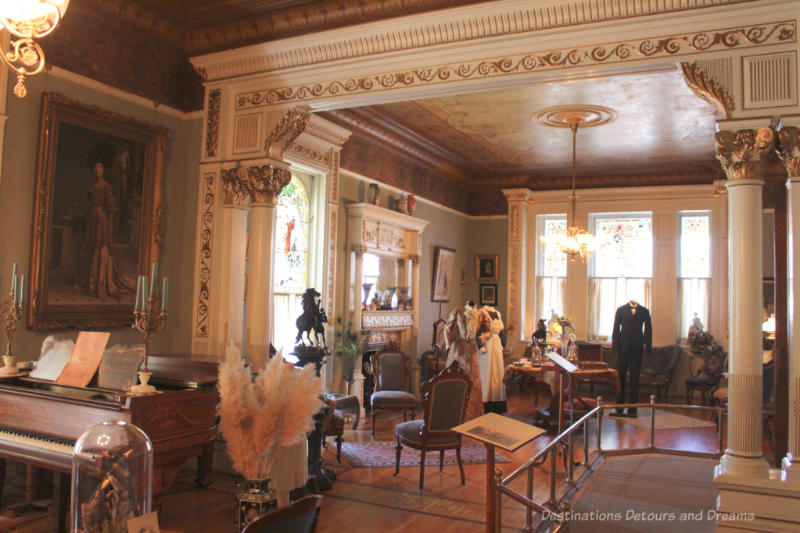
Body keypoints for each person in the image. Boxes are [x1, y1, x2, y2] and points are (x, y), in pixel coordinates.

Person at [79, 161, 136, 299]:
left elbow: (111, 207)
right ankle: (88, 282)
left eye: (99, 167)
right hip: (92, 219)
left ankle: (99, 283)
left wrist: (110, 224)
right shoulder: (92, 185)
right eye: (95, 166)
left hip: (101, 220)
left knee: (101, 248)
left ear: (103, 169)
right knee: (90, 248)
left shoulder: (106, 186)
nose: (96, 169)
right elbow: (89, 203)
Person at [611, 300, 652, 416]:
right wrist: (615, 349)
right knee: (620, 378)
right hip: (623, 349)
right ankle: (619, 407)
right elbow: (616, 330)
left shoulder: (644, 311)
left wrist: (648, 348)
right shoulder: (621, 310)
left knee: (635, 380)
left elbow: (648, 330)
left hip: (637, 349)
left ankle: (633, 408)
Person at [444, 303, 483, 421]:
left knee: (474, 383)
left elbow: (487, 331)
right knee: (456, 380)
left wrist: (482, 340)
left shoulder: (480, 314)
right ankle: (454, 414)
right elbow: (447, 327)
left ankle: (471, 416)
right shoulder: (457, 310)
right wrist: (449, 344)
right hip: (459, 350)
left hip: (473, 350)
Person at [478, 306, 507, 414]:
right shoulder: (481, 312)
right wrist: (480, 345)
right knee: (486, 373)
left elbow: (502, 333)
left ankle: (497, 402)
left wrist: (503, 346)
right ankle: (485, 402)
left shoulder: (498, 313)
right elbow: (476, 331)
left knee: (497, 373)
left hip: (496, 344)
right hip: (487, 344)